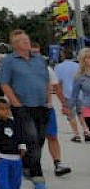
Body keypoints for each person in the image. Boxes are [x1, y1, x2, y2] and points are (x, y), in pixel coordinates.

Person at [0, 30, 51, 189]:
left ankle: (27, 164)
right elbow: (4, 83)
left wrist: (49, 100)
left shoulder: (40, 60)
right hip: (23, 106)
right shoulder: (9, 61)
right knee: (32, 138)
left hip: (41, 105)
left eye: (27, 39)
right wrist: (15, 102)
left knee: (40, 138)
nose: (26, 42)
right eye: (22, 41)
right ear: (15, 45)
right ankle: (37, 174)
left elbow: (47, 81)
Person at [30, 42, 71, 177]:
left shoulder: (48, 70)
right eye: (33, 52)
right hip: (30, 109)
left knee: (52, 136)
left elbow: (57, 88)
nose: (35, 55)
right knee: (33, 139)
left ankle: (57, 163)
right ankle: (32, 164)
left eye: (37, 52)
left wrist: (64, 105)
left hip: (47, 108)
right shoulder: (23, 70)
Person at [54, 46, 90, 142]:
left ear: (63, 55)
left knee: (71, 115)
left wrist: (62, 100)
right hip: (82, 94)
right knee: (82, 113)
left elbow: (58, 84)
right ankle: (86, 131)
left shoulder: (59, 67)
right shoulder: (78, 66)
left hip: (67, 94)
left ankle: (76, 135)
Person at [66, 47, 90, 134]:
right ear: (83, 60)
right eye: (87, 57)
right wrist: (68, 108)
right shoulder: (79, 77)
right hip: (87, 108)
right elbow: (74, 96)